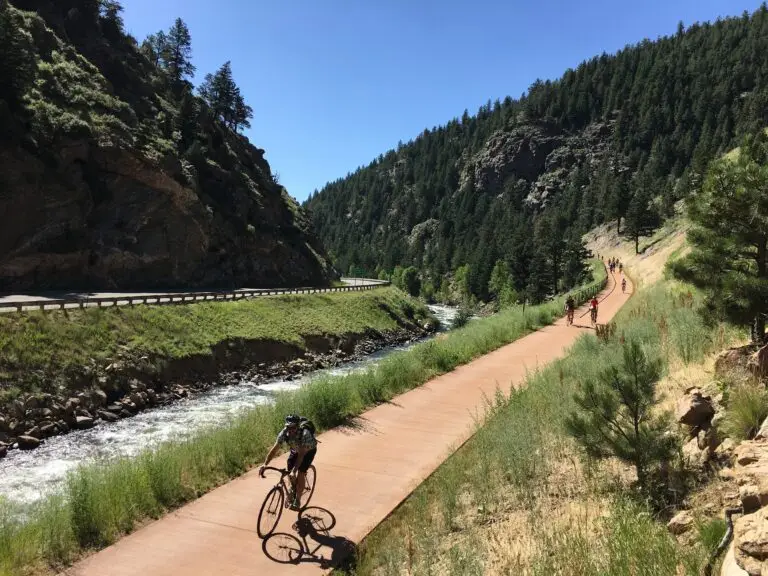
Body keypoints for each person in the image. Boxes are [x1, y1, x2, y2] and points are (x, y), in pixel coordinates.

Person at [260, 414, 318, 510]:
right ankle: (292, 487)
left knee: (300, 473)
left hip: (307, 451)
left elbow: (301, 455)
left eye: (293, 427)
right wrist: (265, 464)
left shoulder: (305, 434)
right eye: (288, 427)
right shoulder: (284, 433)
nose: (290, 430)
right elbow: (274, 449)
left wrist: (294, 471)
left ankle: (298, 499)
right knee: (289, 472)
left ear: (298, 426)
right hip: (295, 450)